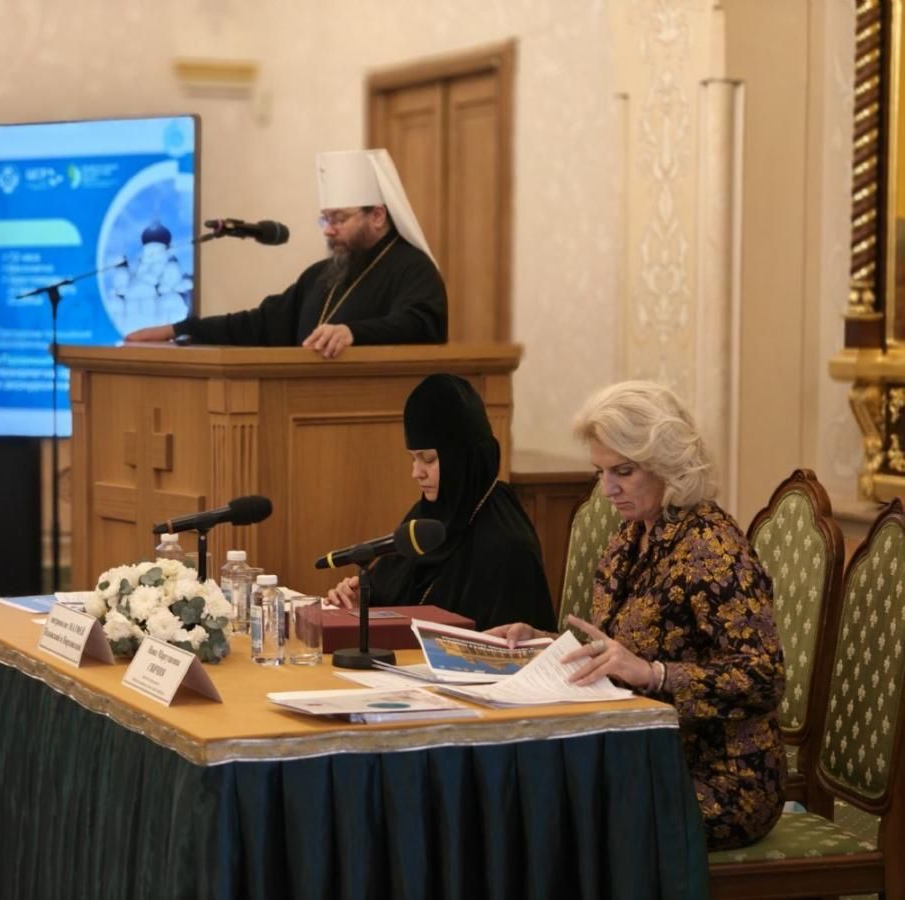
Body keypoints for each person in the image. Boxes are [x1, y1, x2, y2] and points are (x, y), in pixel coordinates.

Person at [490, 381, 785, 851]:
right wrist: (541, 642)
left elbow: (763, 678)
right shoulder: (631, 537)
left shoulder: (712, 548)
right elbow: (616, 650)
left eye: (623, 472)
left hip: (718, 777)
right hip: (640, 753)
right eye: (601, 472)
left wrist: (655, 675)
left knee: (563, 815)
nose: (608, 489)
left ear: (668, 461)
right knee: (521, 791)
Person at [124, 149, 446, 358]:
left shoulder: (413, 269)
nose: (328, 230)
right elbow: (260, 324)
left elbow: (420, 326)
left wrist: (353, 333)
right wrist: (182, 330)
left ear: (377, 215)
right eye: (325, 219)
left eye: (339, 219)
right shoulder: (321, 276)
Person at [326, 374, 554, 632]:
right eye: (413, 459)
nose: (416, 473)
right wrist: (360, 601)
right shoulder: (428, 517)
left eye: (428, 459)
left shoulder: (508, 546)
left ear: (462, 458)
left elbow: (510, 644)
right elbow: (392, 596)